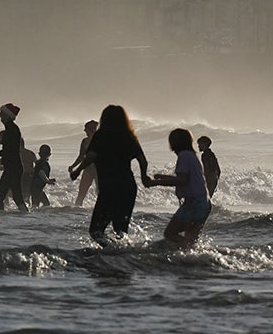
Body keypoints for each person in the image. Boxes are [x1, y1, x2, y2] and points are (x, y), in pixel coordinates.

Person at [69, 104, 150, 238]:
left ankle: (110, 253)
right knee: (120, 231)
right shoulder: (129, 136)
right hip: (128, 188)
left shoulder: (101, 135)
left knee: (96, 231)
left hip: (110, 188)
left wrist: (78, 170)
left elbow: (91, 156)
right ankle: (122, 255)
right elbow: (143, 160)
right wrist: (144, 178)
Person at [146, 128, 210, 248]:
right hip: (204, 203)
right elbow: (186, 178)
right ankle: (195, 257)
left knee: (170, 233)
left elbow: (181, 180)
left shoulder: (184, 156)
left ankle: (189, 250)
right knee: (190, 239)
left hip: (194, 203)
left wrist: (155, 183)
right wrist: (162, 177)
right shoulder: (192, 155)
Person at [0, 103, 29, 212]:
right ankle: (26, 215)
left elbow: (7, 150)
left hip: (12, 168)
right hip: (14, 167)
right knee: (17, 198)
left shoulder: (11, 130)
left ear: (7, 115)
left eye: (1, 113)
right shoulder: (11, 129)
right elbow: (8, 150)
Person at [69, 120, 98, 207]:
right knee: (81, 192)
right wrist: (73, 166)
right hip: (88, 169)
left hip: (99, 170)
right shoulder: (85, 141)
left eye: (86, 129)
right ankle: (77, 210)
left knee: (100, 192)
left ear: (91, 129)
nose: (84, 131)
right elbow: (81, 156)